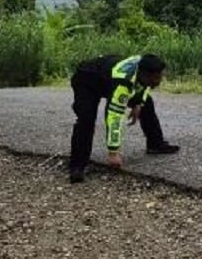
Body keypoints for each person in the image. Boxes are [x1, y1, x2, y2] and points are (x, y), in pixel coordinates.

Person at [68, 54, 179, 183]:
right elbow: (114, 116)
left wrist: (139, 103)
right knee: (86, 120)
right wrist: (113, 152)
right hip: (86, 80)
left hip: (107, 78)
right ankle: (77, 166)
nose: (158, 82)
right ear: (144, 75)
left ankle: (155, 144)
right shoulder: (123, 83)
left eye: (160, 77)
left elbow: (146, 86)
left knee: (147, 102)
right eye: (155, 79)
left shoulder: (144, 65)